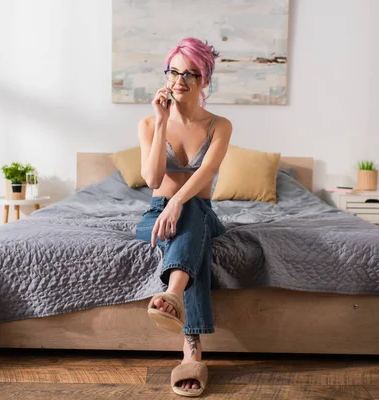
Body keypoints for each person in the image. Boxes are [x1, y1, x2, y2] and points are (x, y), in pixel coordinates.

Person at [135, 37, 232, 397]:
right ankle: (191, 349)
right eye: (174, 72)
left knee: (192, 212)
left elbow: (206, 173)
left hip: (199, 210)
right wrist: (162, 123)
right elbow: (152, 180)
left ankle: (171, 295)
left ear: (205, 80)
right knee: (195, 238)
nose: (180, 81)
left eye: (191, 74)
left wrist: (179, 200)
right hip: (155, 214)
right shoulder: (148, 123)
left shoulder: (219, 125)